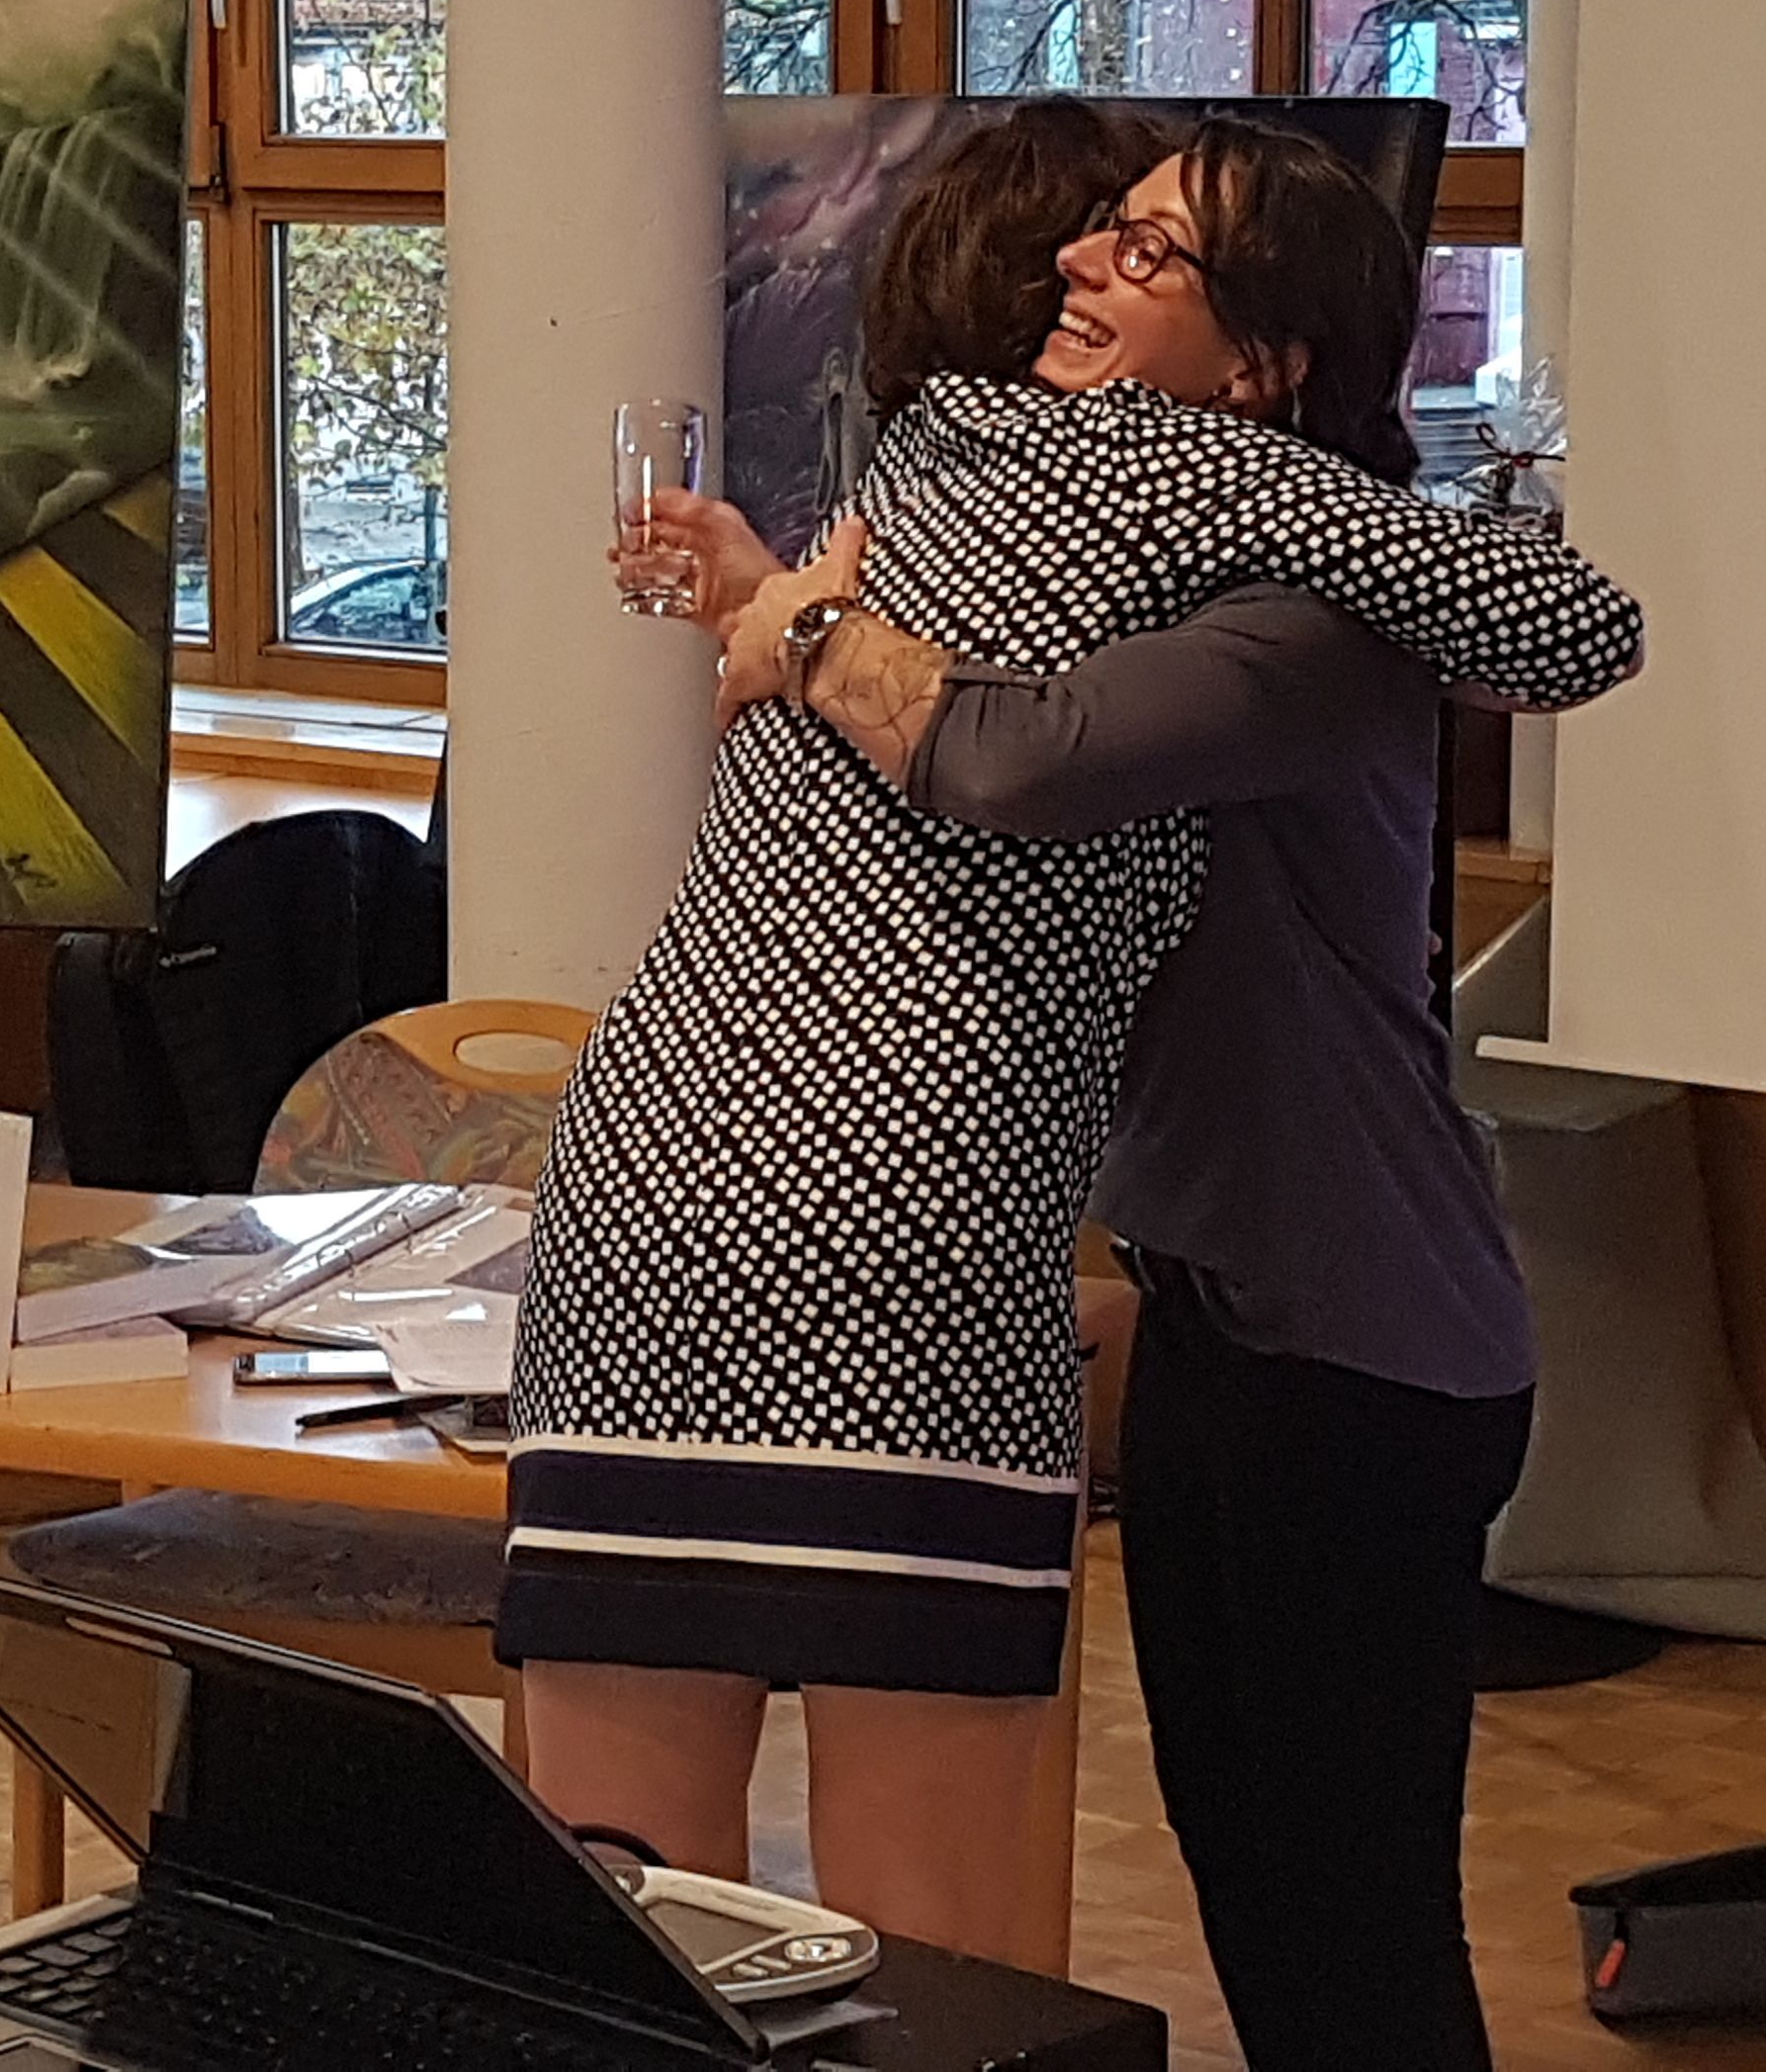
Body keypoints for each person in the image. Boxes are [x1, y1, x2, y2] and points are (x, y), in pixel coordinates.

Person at [505, 106, 1643, 1969]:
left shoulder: (919, 521)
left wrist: (798, 617)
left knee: (622, 1926)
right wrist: (796, 610)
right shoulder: (1104, 503)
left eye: (1149, 247)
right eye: (1103, 229)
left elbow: (1016, 758)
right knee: (945, 1965)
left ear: (1265, 363)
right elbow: (1577, 632)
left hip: (661, 1225)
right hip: (928, 1265)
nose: (1087, 266)